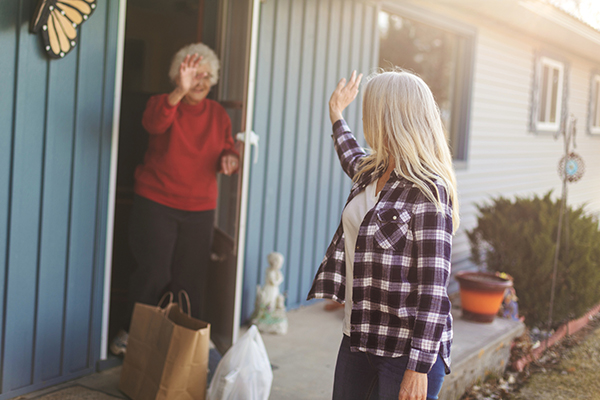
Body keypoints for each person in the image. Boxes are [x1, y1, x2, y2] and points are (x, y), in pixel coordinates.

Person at [307, 69, 459, 400]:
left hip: (405, 351)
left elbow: (434, 290)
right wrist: (336, 114)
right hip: (357, 337)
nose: (366, 118)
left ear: (390, 116)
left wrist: (418, 368)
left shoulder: (429, 191)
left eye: (370, 109)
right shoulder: (373, 170)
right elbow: (350, 153)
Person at [111, 43, 239, 356]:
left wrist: (230, 158)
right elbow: (154, 124)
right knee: (154, 272)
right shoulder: (162, 103)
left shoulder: (219, 114)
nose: (202, 81)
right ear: (179, 76)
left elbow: (227, 147)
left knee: (191, 276)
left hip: (199, 207)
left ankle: (189, 337)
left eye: (208, 75)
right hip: (157, 202)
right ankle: (132, 333)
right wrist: (178, 93)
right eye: (195, 74)